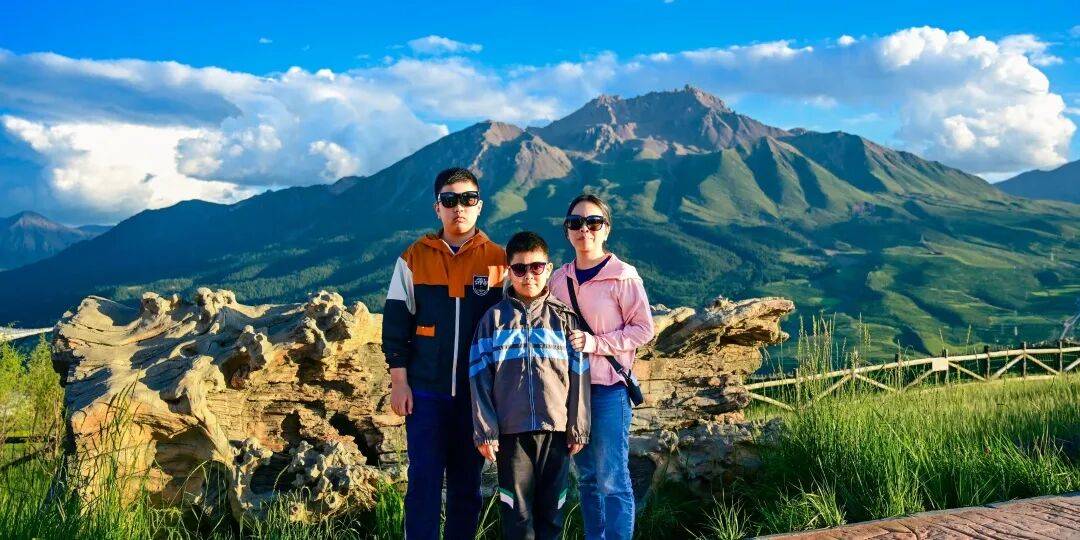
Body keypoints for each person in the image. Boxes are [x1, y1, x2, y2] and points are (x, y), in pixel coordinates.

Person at [382, 167, 508, 539]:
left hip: (476, 396)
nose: (459, 207)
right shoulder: (413, 257)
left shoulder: (498, 261)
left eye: (468, 199)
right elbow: (395, 325)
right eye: (449, 200)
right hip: (425, 393)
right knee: (423, 481)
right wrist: (399, 382)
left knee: (466, 487)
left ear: (480, 205)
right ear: (437, 207)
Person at [469, 231, 591, 540]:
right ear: (509, 271)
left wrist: (578, 427)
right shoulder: (493, 320)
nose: (528, 276)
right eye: (520, 268)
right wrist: (485, 430)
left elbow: (579, 375)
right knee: (517, 516)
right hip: (511, 434)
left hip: (556, 431)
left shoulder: (564, 319)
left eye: (536, 267)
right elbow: (479, 378)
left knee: (553, 513)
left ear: (548, 269)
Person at [549, 194, 655, 540]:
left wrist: (596, 344)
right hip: (572, 394)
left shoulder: (623, 276)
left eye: (593, 222)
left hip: (609, 390)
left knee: (612, 479)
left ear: (606, 229)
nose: (585, 229)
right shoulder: (558, 280)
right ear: (567, 231)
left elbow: (644, 329)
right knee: (587, 478)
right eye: (576, 223)